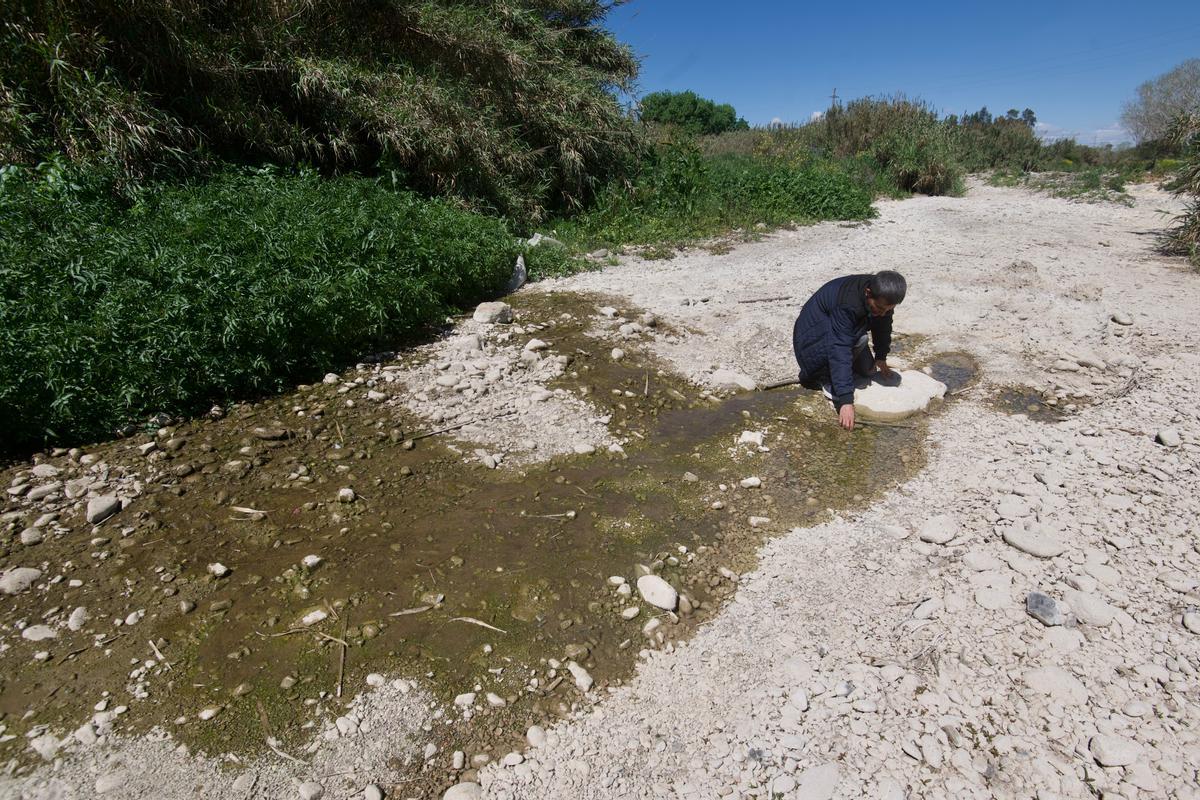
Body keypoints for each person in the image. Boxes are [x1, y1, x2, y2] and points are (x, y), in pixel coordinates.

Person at [792, 271, 906, 430]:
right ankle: (825, 378)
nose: (883, 313)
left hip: (838, 333)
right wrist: (845, 400)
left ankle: (838, 376)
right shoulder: (848, 303)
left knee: (868, 371)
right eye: (879, 308)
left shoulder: (883, 297)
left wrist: (881, 357)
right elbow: (839, 347)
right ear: (868, 293)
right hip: (811, 343)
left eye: (888, 309)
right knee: (859, 341)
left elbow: (883, 327)